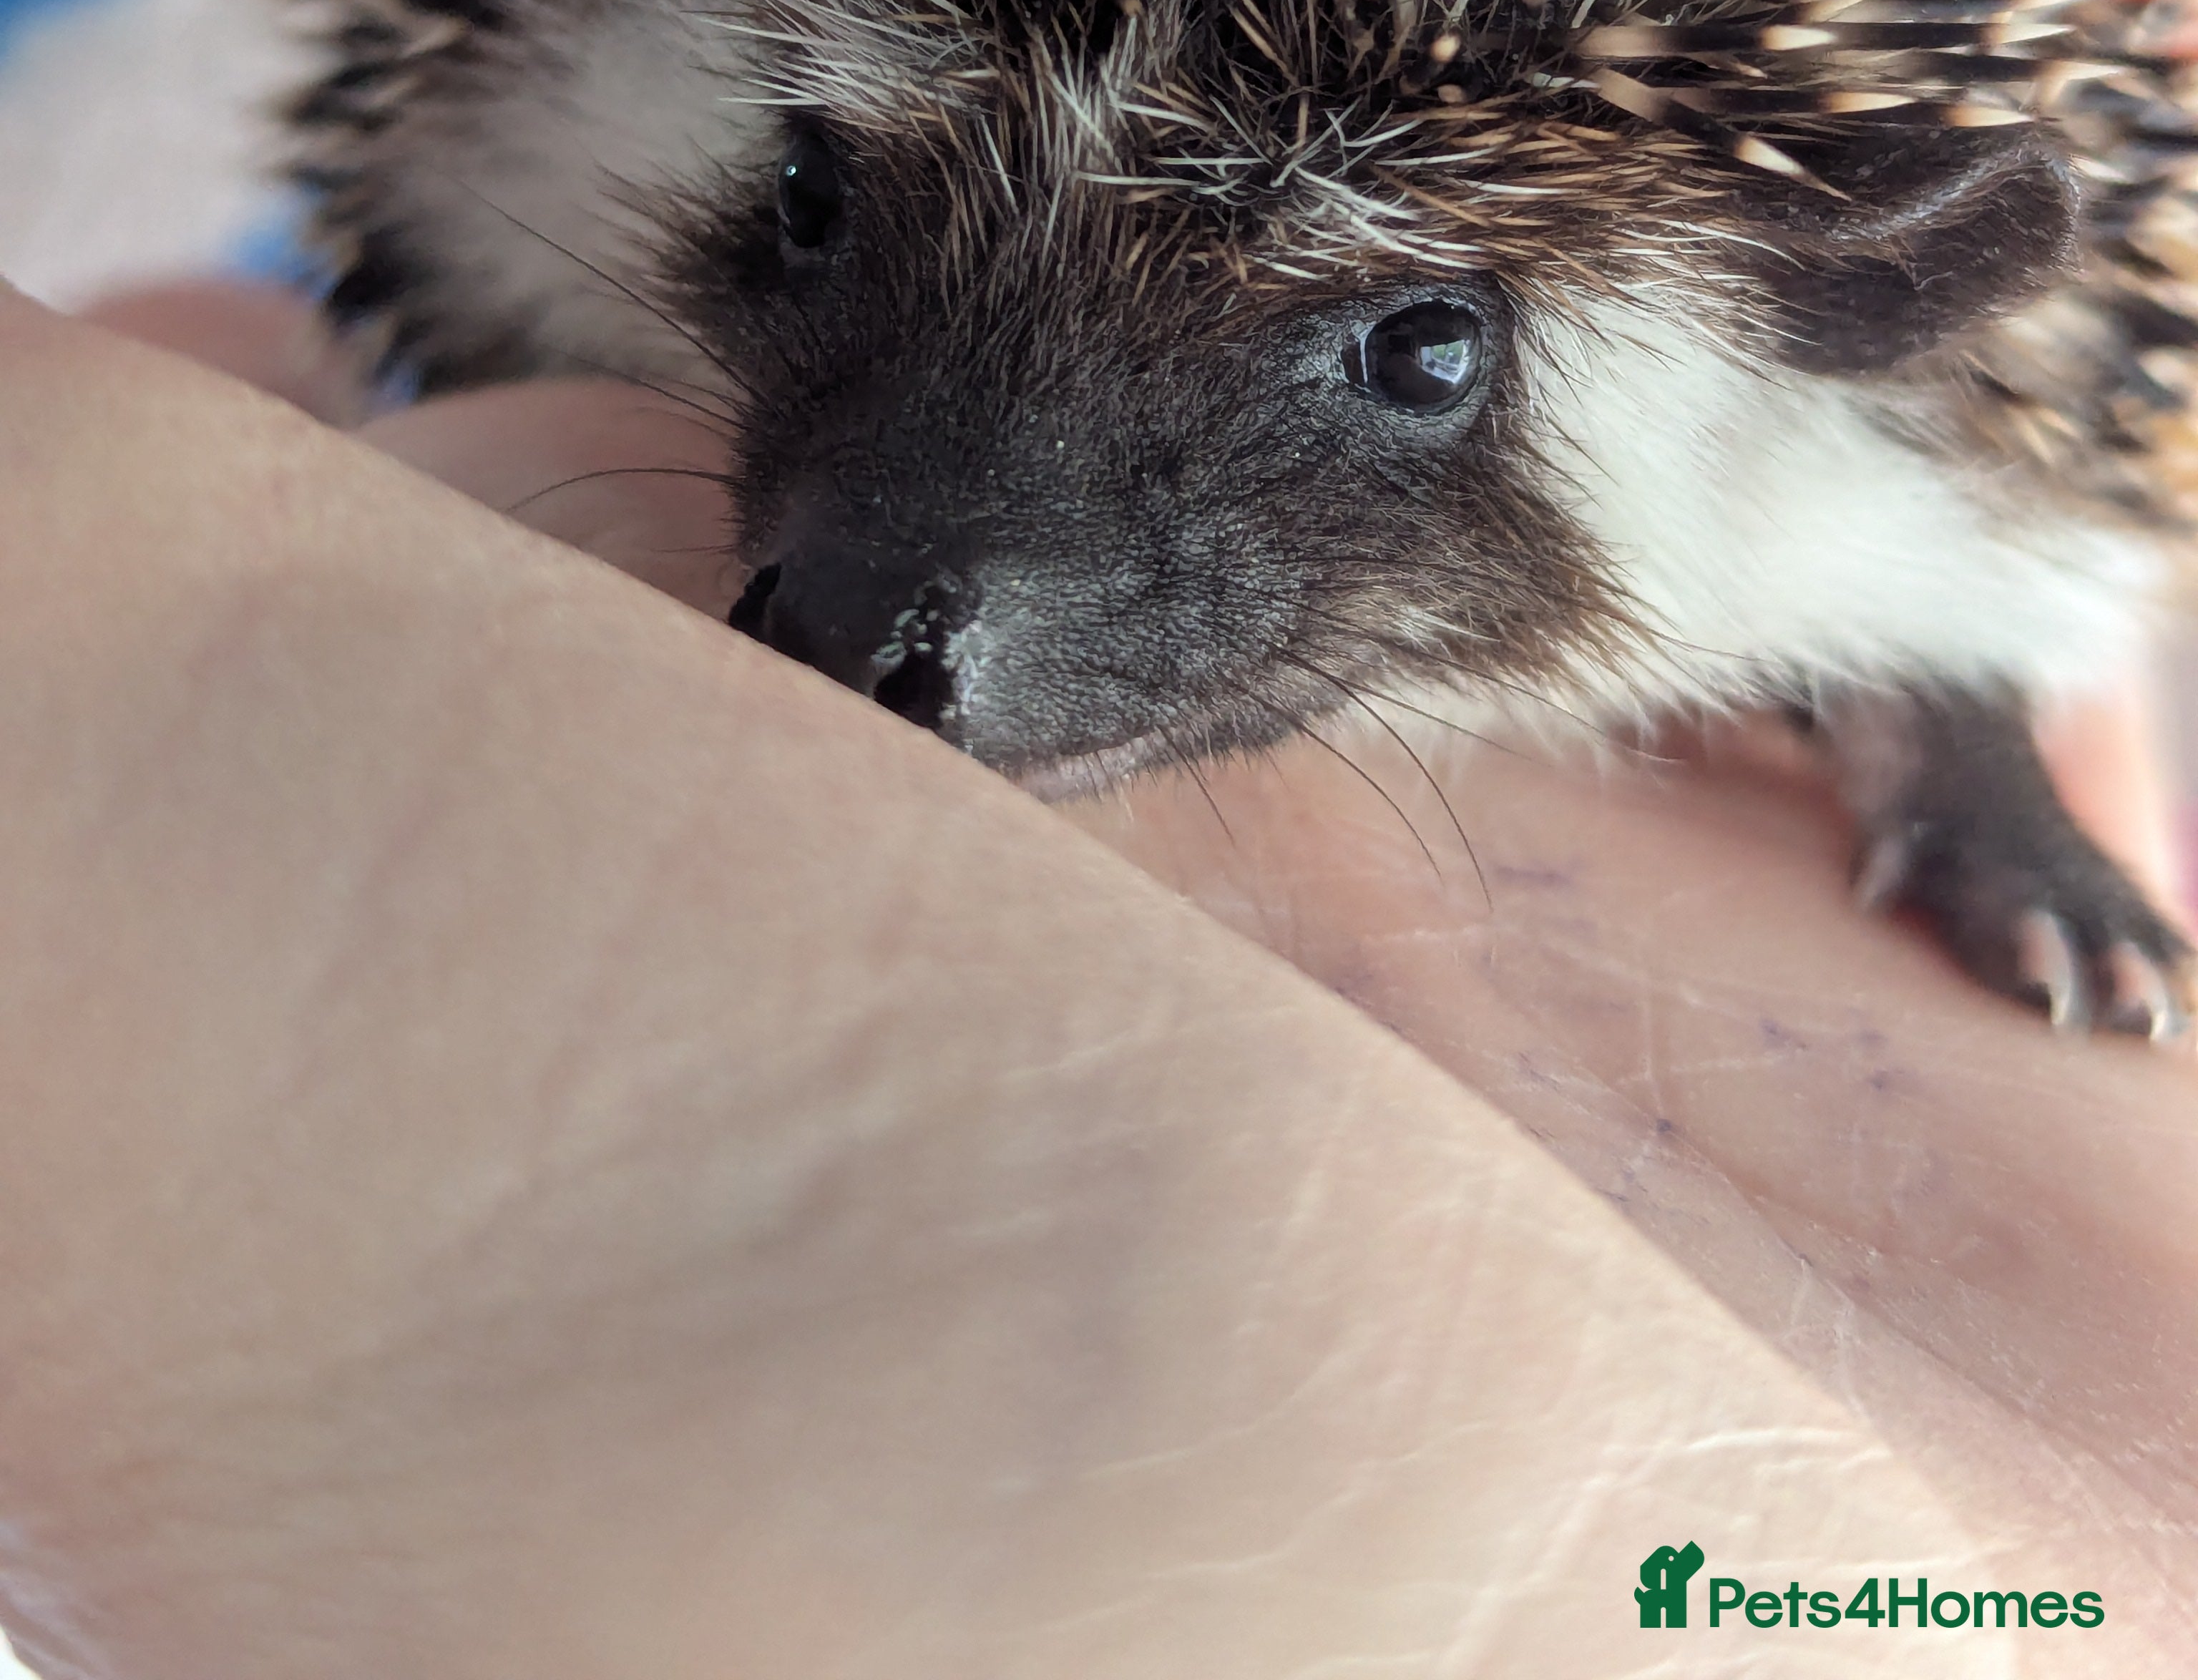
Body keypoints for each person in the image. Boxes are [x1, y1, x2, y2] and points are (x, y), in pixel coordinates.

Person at [0, 272, 2192, 1677]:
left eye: (1415, 351)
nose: (911, 609)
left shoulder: (1901, 482)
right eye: (825, 200)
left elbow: (1976, 576)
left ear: (1870, 285)